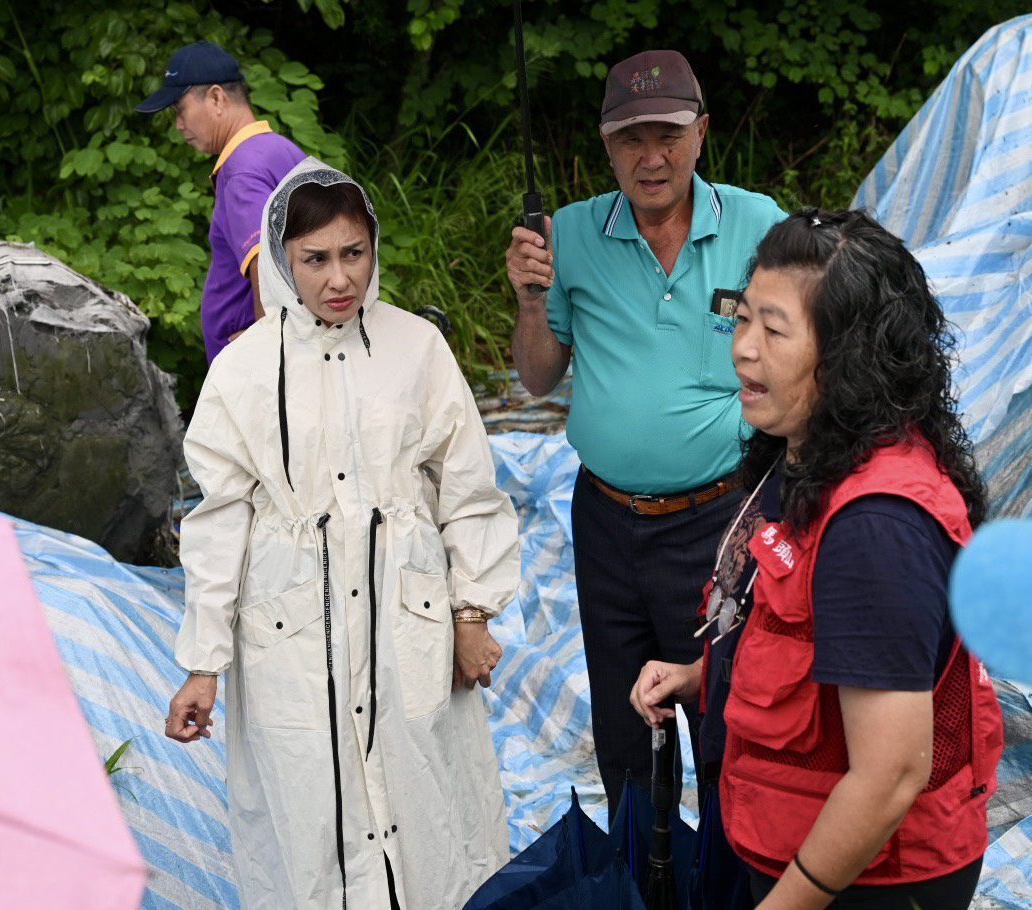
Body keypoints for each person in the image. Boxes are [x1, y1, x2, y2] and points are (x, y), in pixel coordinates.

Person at [164, 158, 520, 909]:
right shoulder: (242, 372)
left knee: (425, 800)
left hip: (408, 619)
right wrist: (202, 663)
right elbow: (218, 522)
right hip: (289, 630)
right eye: (315, 259)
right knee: (306, 809)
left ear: (373, 248)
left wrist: (470, 612)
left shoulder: (415, 348)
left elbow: (467, 486)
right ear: (282, 261)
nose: (338, 278)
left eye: (352, 253)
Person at [631, 209, 1004, 909]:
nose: (741, 349)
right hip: (788, 843)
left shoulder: (876, 529)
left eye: (773, 331)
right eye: (740, 320)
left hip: (867, 883)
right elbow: (805, 645)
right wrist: (700, 677)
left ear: (846, 358)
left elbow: (889, 775)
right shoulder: (804, 453)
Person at [504, 49, 785, 810]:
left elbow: (804, 346)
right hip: (605, 520)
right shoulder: (566, 234)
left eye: (667, 135)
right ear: (605, 145)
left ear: (700, 133)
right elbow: (535, 378)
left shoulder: (758, 225)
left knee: (727, 718)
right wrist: (531, 299)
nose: (650, 157)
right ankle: (640, 876)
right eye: (631, 139)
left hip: (720, 519)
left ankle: (735, 875)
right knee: (624, 724)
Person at [136, 41, 306, 363]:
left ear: (216, 98)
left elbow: (264, 261)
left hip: (258, 375)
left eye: (180, 109)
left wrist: (267, 343)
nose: (178, 125)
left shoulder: (240, 171)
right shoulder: (281, 150)